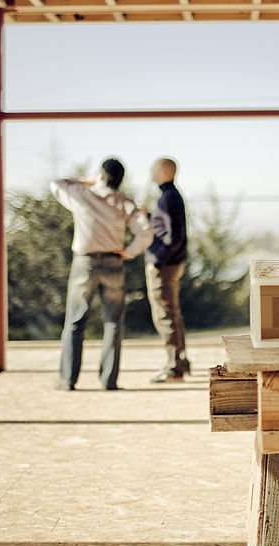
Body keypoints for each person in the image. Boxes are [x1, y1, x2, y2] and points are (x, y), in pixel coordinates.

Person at [51, 158, 152, 391]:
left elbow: (56, 184)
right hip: (114, 263)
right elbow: (146, 234)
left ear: (101, 175)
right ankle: (109, 380)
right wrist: (127, 253)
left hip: (84, 264)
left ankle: (68, 379)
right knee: (114, 323)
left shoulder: (82, 195)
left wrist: (87, 181)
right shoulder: (125, 203)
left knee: (75, 322)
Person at [145, 157, 190, 383]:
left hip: (165, 266)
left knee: (165, 315)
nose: (151, 173)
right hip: (173, 263)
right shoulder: (170, 197)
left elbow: (173, 237)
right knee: (173, 313)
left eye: (154, 168)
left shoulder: (168, 198)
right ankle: (180, 363)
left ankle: (174, 368)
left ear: (164, 171)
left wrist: (157, 261)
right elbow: (167, 229)